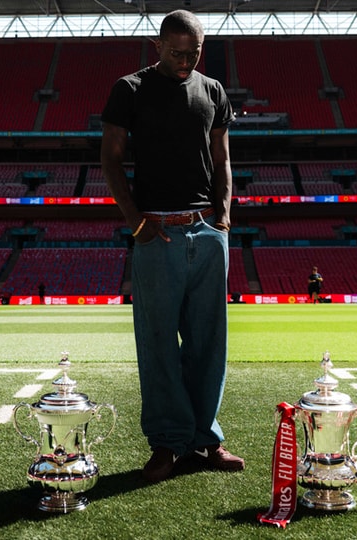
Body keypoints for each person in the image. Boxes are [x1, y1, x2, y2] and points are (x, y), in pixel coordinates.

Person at [101, 9, 244, 483]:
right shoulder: (129, 89)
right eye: (177, 52)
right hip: (156, 231)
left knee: (208, 344)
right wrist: (136, 222)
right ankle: (167, 442)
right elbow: (111, 159)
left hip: (206, 230)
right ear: (156, 45)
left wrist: (223, 218)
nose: (186, 61)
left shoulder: (214, 92)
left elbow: (222, 158)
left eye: (194, 53)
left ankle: (205, 439)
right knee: (159, 344)